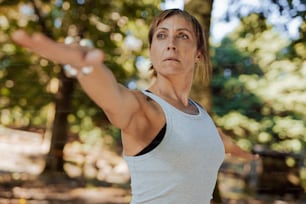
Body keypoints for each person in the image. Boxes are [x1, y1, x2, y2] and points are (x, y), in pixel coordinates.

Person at [12, 8, 257, 204]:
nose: (170, 43)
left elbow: (216, 140)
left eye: (183, 36)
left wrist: (247, 155)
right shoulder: (146, 108)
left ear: (198, 54)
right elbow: (113, 97)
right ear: (152, 50)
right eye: (161, 36)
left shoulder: (199, 112)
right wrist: (85, 67)